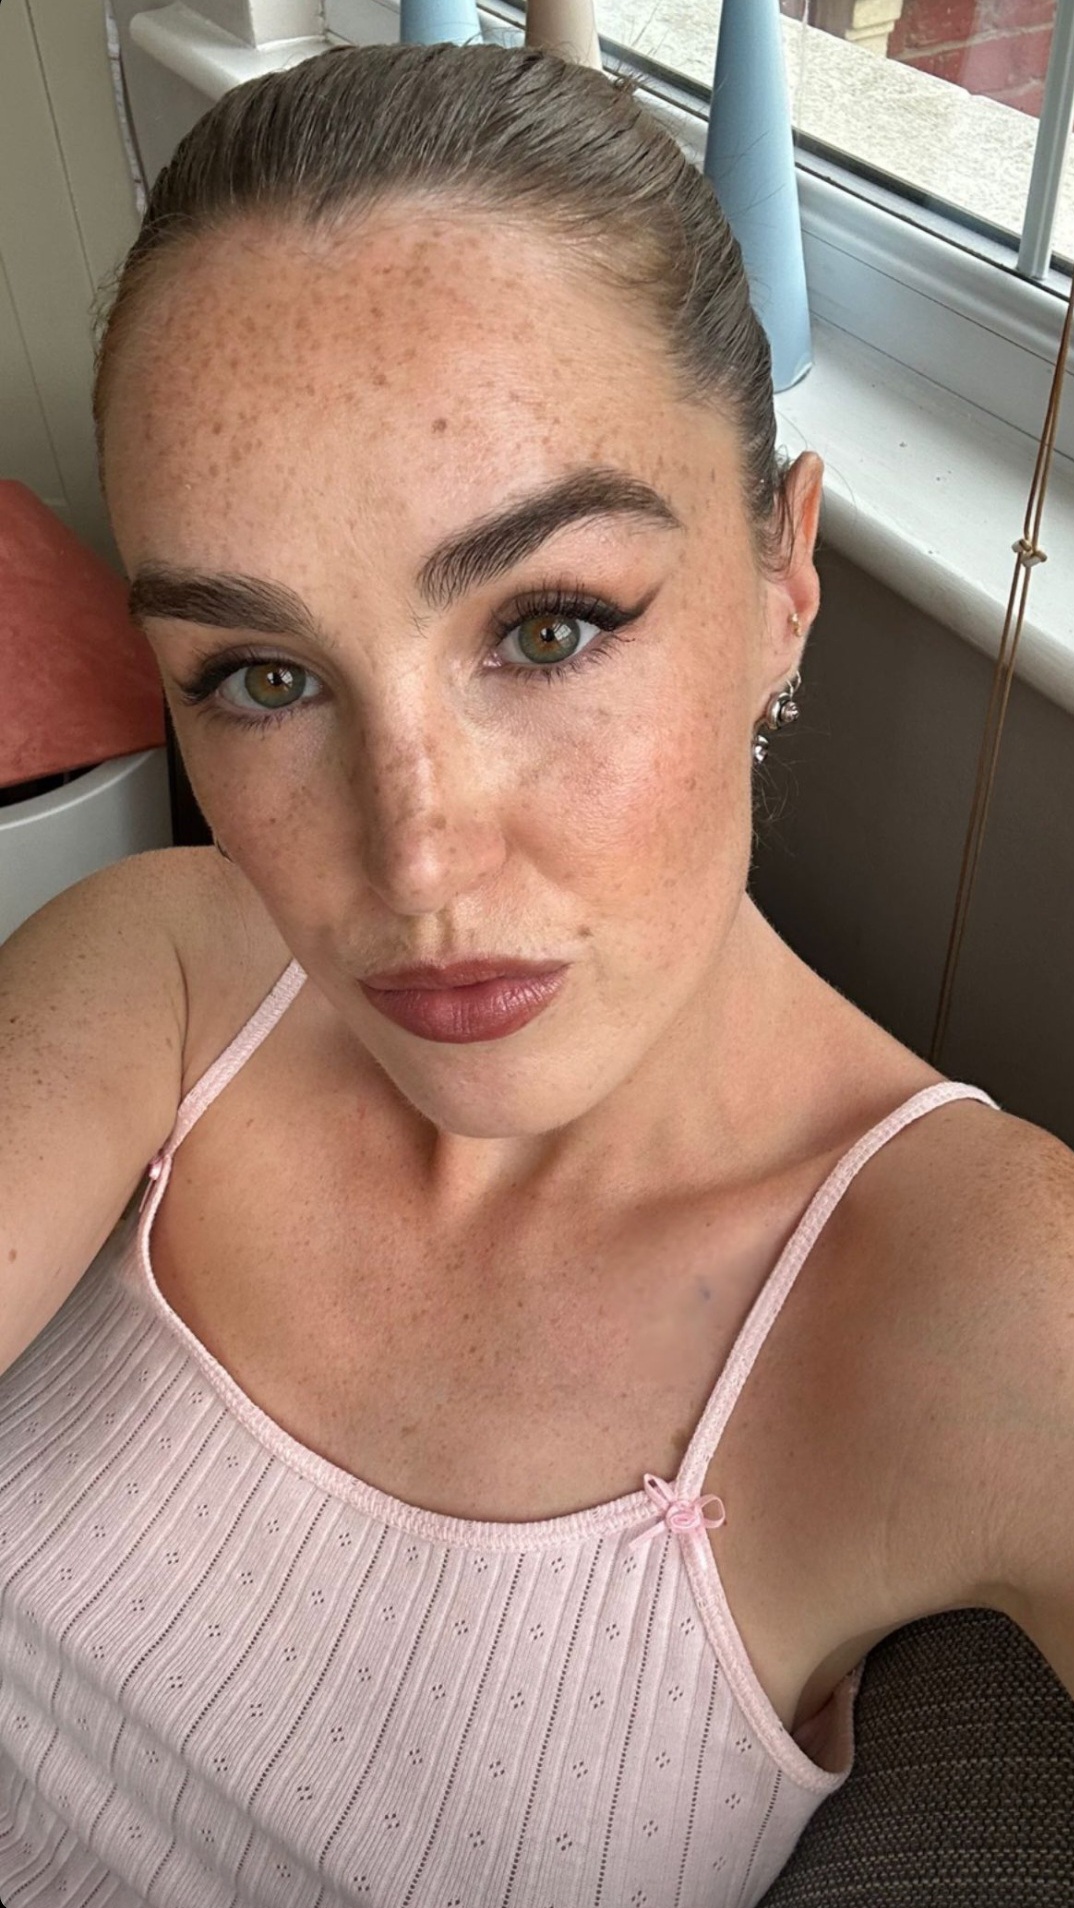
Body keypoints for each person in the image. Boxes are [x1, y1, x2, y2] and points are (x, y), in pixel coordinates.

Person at [1, 39, 1072, 1908]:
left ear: (784, 572)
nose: (411, 864)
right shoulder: (155, 973)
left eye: (549, 626)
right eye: (263, 678)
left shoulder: (982, 1293)